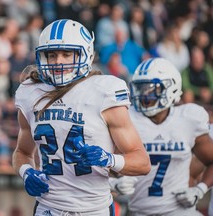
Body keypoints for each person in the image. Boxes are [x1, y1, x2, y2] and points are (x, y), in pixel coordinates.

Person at [12, 19, 151, 216]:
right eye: (52, 55)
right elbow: (22, 152)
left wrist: (109, 159)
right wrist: (26, 172)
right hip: (47, 208)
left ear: (85, 54)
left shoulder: (104, 91)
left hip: (93, 210)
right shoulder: (30, 92)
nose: (58, 61)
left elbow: (142, 162)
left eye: (67, 54)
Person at [110, 57, 213, 215]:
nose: (144, 95)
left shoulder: (189, 118)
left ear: (171, 88)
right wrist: (114, 182)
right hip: (140, 211)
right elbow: (108, 164)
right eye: (140, 89)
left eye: (151, 89)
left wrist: (200, 189)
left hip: (180, 211)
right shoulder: (128, 118)